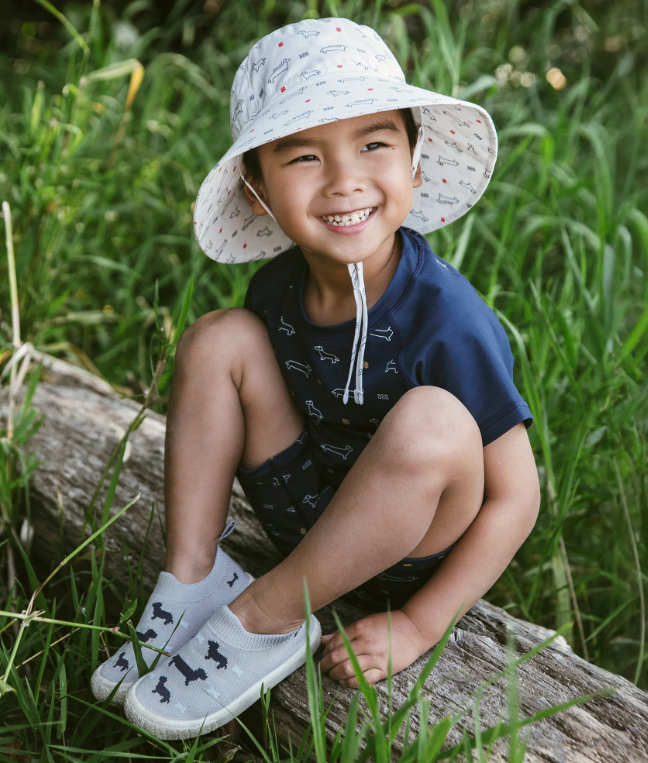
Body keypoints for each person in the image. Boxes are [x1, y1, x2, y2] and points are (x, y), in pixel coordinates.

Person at [93, 17, 540, 741]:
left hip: (411, 549)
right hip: (304, 516)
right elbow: (255, 401)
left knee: (433, 419)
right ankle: (193, 579)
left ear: (415, 162)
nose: (343, 180)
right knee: (217, 338)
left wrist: (419, 623)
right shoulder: (276, 290)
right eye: (303, 155)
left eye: (373, 144)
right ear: (256, 190)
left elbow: (517, 498)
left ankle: (264, 618)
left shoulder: (448, 318)